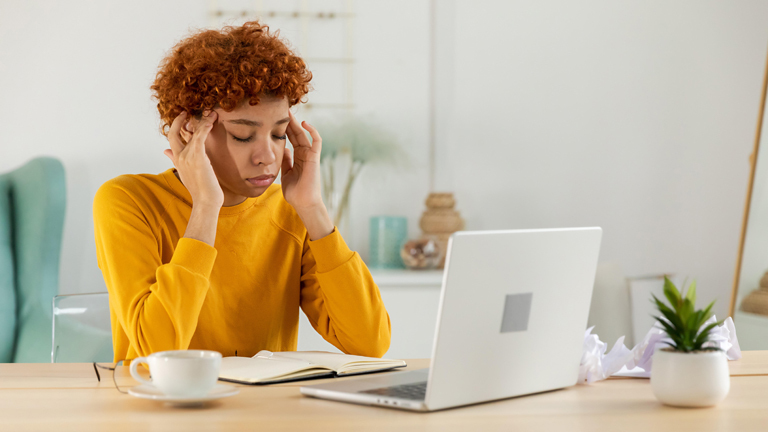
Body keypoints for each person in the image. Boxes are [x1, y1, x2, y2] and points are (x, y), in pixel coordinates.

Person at [93, 21, 391, 362]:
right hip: (164, 411)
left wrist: (313, 209)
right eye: (243, 136)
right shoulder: (128, 201)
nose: (267, 156)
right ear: (191, 131)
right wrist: (206, 207)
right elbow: (158, 350)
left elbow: (370, 342)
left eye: (279, 134)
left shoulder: (290, 212)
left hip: (264, 413)